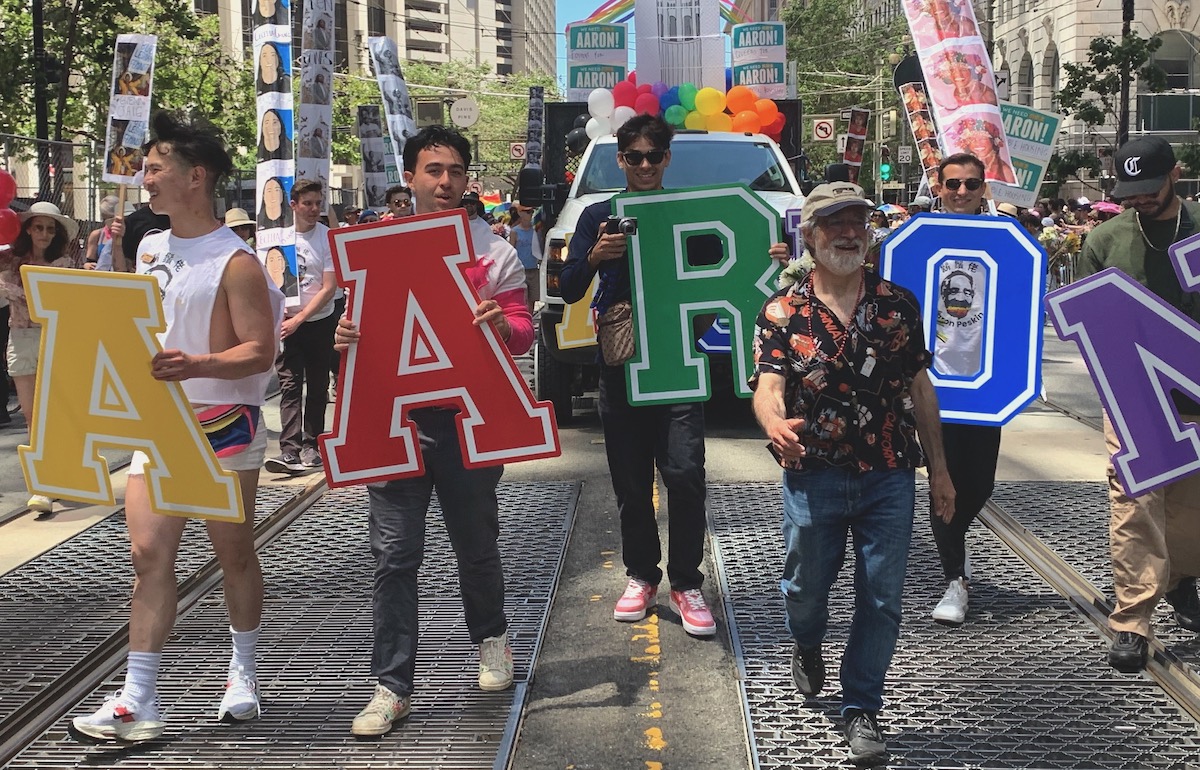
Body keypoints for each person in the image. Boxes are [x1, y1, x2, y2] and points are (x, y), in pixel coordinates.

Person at [70, 111, 283, 743]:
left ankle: (243, 671)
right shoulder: (150, 246)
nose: (145, 178)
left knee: (233, 554)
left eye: (155, 167)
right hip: (160, 424)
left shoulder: (238, 261)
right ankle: (140, 697)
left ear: (197, 177)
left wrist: (200, 363)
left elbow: (260, 350)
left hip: (224, 423)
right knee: (147, 554)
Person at [334, 125, 532, 737]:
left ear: (467, 179)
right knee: (393, 556)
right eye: (432, 171)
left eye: (454, 171)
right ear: (412, 177)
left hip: (467, 422)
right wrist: (343, 341)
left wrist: (502, 324)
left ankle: (490, 641)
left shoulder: (493, 250)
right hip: (396, 423)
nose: (444, 182)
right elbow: (354, 332)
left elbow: (525, 332)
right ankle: (391, 686)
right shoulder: (374, 248)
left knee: (476, 544)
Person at [749, 181, 954, 766]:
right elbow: (767, 387)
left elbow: (920, 387)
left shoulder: (898, 305)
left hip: (889, 470)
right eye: (834, 223)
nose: (848, 233)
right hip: (813, 472)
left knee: (883, 598)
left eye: (857, 221)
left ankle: (861, 705)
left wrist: (940, 471)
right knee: (805, 590)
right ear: (809, 237)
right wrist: (772, 424)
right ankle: (807, 643)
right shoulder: (781, 311)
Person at [559, 114, 718, 637]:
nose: (645, 165)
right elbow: (568, 288)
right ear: (620, 161)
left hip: (677, 365)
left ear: (667, 158)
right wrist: (594, 254)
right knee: (631, 482)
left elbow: (717, 279)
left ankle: (687, 581)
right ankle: (642, 576)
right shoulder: (598, 215)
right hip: (621, 366)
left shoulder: (687, 214)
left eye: (654, 156)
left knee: (685, 476)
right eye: (634, 157)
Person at [1076, 136, 1200, 672]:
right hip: (1133, 391)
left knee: (1189, 503)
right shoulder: (1104, 241)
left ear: (1175, 174)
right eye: (1131, 192)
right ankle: (1132, 617)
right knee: (1133, 498)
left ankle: (1178, 579)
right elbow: (1087, 320)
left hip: (1193, 383)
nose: (1141, 199)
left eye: (1150, 188)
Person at [925, 152, 1003, 626]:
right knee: (944, 480)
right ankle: (955, 577)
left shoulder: (1005, 240)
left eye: (971, 184)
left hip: (984, 383)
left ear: (983, 189)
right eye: (952, 184)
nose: (961, 192)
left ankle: (953, 548)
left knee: (980, 483)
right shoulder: (916, 238)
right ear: (938, 185)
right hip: (929, 384)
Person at [0, 201, 78, 512]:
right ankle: (43, 485)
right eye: (38, 227)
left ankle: (53, 478)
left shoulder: (65, 262)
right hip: (21, 339)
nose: (44, 233)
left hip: (56, 338)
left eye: (49, 228)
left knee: (54, 415)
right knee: (32, 416)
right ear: (27, 229)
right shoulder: (8, 259)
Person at [263, 179, 338, 474]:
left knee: (317, 386)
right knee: (290, 385)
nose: (313, 209)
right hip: (286, 323)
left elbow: (328, 287)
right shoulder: (278, 238)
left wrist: (300, 318)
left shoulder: (327, 238)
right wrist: (282, 318)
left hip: (318, 322)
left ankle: (312, 444)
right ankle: (289, 448)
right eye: (307, 204)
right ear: (293, 205)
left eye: (318, 204)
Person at [508, 204, 542, 313]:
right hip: (521, 269)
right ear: (520, 213)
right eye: (527, 212)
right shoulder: (515, 231)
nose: (530, 214)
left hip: (533, 268)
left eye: (531, 212)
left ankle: (530, 319)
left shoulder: (535, 229)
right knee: (524, 298)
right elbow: (511, 249)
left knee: (533, 298)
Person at [85, 195, 127, 272]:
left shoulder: (128, 233)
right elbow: (89, 260)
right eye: (107, 218)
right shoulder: (97, 235)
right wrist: (87, 265)